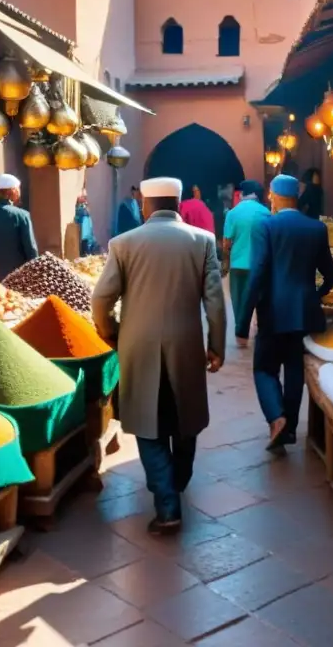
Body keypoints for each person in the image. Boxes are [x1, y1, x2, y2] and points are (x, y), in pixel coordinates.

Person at [92, 177, 226, 535]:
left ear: (146, 206)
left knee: (148, 427)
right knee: (185, 416)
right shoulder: (202, 242)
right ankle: (178, 481)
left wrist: (111, 332)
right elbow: (214, 301)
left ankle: (167, 506)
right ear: (178, 204)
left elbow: (101, 300)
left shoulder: (123, 244)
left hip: (138, 345)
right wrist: (217, 345)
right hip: (186, 344)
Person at [237, 174, 333, 450]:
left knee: (264, 369)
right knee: (294, 369)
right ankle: (290, 428)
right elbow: (331, 274)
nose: (269, 199)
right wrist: (313, 295)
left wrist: (242, 325)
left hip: (272, 312)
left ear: (278, 196)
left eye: (271, 194)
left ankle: (276, 418)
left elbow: (257, 274)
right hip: (304, 313)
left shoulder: (266, 226)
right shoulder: (316, 228)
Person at [222, 180, 270, 332]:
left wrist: (226, 263)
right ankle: (261, 327)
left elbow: (226, 243)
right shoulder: (266, 213)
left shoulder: (233, 213)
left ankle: (240, 331)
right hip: (260, 265)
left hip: (238, 265)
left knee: (238, 300)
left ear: (242, 193)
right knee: (260, 298)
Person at [0, 174, 38, 281]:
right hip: (16, 278)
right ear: (12, 191)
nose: (19, 192)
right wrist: (37, 272)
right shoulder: (22, 215)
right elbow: (31, 249)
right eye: (18, 189)